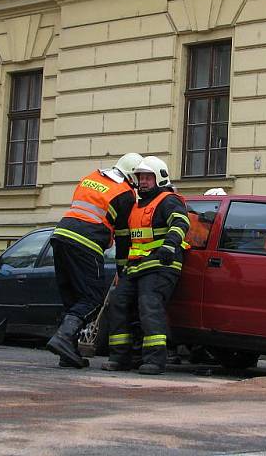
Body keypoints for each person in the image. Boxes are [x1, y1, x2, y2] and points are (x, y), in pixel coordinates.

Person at [46, 153, 142, 368]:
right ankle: (63, 337)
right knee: (92, 298)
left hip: (61, 235)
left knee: (73, 298)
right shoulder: (125, 194)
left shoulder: (92, 177)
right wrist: (122, 267)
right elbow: (124, 235)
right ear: (132, 176)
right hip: (86, 242)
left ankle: (67, 352)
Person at [103, 156, 190, 374]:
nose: (142, 181)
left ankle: (154, 360)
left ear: (159, 178)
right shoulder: (134, 206)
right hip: (136, 268)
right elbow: (124, 239)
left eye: (148, 177)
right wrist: (121, 269)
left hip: (162, 265)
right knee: (118, 302)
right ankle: (120, 357)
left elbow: (181, 223)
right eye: (140, 177)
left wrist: (169, 246)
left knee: (149, 305)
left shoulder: (169, 200)